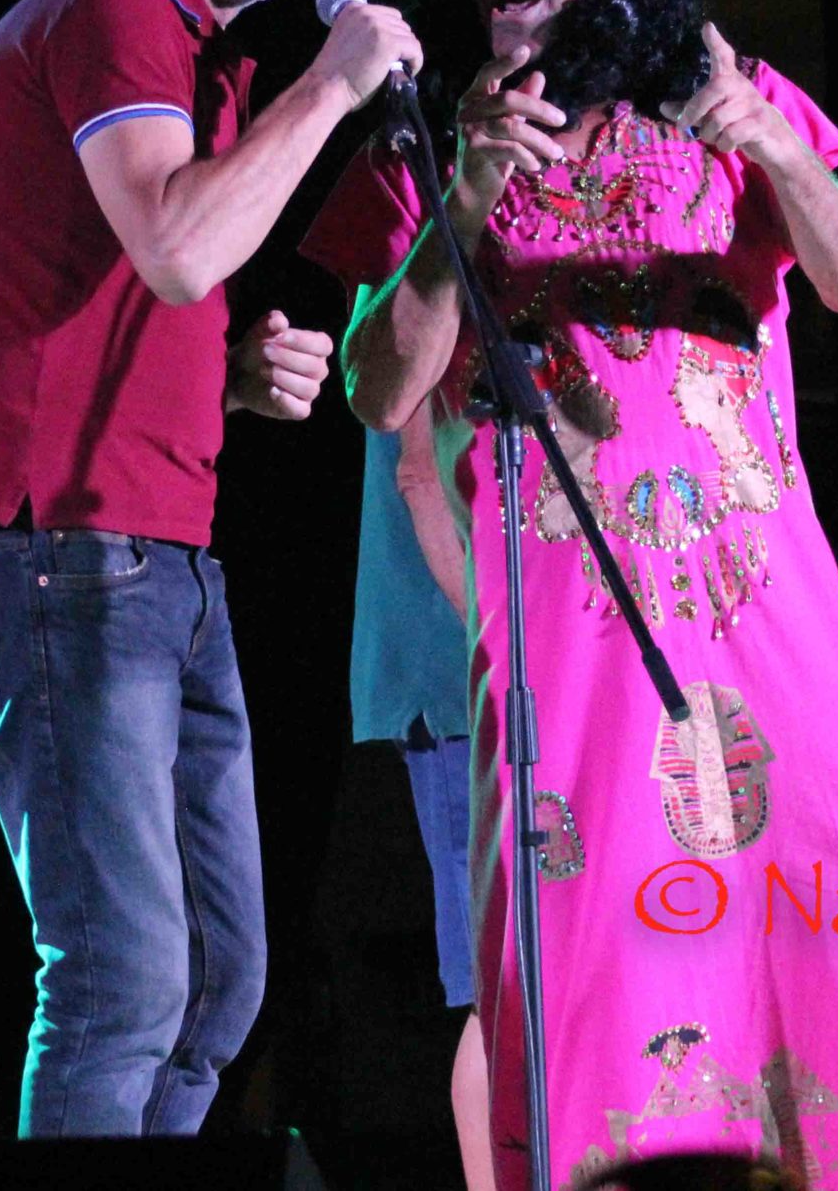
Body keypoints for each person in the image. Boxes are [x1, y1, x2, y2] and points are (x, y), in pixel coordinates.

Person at [304, 0, 838, 1191]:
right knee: (595, 942)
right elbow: (375, 387)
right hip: (568, 625)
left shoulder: (728, 98)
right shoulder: (428, 137)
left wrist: (770, 142)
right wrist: (465, 196)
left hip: (760, 599)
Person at [0, 0, 425, 1135]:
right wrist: (332, 85)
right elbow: (184, 245)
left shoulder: (202, 59)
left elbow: (129, 287)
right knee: (123, 983)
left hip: (164, 554)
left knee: (219, 982)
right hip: (57, 550)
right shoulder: (114, 8)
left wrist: (230, 385)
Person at [351, 400, 494, 1191]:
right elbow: (420, 472)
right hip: (460, 666)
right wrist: (508, 634)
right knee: (497, 986)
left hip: (526, 661)